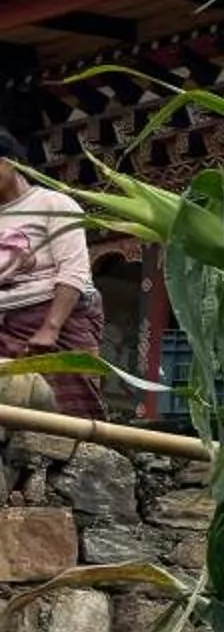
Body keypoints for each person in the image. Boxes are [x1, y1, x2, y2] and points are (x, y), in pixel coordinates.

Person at [0, 130, 107, 418]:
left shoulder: (53, 204)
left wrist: (51, 327)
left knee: (72, 410)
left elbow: (74, 269)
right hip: (4, 320)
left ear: (11, 162)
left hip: (53, 314)